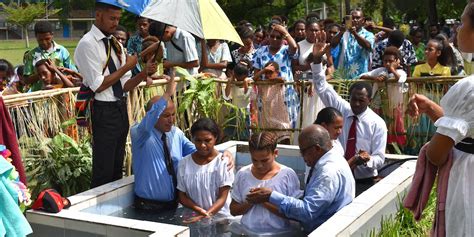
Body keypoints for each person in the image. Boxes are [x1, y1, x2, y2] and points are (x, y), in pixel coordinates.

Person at [406, 1, 474, 235]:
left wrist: (429, 149)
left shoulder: (468, 89)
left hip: (467, 185)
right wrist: (434, 110)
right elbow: (468, 129)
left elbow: (437, 153)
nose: (457, 29)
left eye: (463, 22)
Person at [74, 2, 153, 188]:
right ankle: (98, 210)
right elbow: (98, 85)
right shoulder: (87, 43)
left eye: (118, 19)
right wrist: (127, 66)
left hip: (119, 106)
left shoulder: (115, 43)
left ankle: (114, 209)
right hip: (102, 109)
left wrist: (142, 73)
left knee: (117, 165)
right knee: (103, 167)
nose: (115, 23)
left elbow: (124, 85)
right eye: (112, 18)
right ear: (98, 15)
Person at [131, 73, 234, 211]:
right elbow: (149, 119)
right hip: (147, 206)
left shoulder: (176, 133)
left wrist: (224, 153)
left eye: (173, 115)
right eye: (166, 115)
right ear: (153, 115)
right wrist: (167, 94)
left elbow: (200, 150)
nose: (171, 119)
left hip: (173, 205)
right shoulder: (140, 133)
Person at [311, 30, 387, 194]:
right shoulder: (343, 109)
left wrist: (367, 160)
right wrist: (317, 60)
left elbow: (380, 158)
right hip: (339, 178)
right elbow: (321, 86)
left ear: (370, 101)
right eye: (354, 99)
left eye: (361, 100)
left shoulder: (378, 123)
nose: (356, 104)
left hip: (364, 181)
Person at [245, 125, 355, 233]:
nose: (302, 156)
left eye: (303, 151)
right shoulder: (333, 160)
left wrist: (271, 196)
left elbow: (307, 212)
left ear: (317, 149)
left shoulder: (327, 173)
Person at [230, 132, 302, 235]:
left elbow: (295, 214)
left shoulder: (287, 175)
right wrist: (250, 202)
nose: (259, 165)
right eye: (255, 160)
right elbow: (233, 210)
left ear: (275, 153)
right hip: (248, 233)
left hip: (280, 233)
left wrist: (265, 200)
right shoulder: (243, 174)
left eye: (265, 160)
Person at [177, 118, 234, 223]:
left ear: (215, 138)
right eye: (198, 140)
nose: (202, 145)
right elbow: (182, 195)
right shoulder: (184, 164)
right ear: (193, 139)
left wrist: (206, 214)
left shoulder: (223, 163)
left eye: (207, 140)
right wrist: (199, 211)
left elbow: (223, 197)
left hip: (221, 219)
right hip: (195, 217)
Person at [252, 22, 300, 129]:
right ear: (268, 36)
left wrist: (285, 32)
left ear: (283, 39)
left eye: (278, 37)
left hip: (286, 95)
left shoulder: (286, 50)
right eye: (272, 36)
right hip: (266, 96)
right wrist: (271, 81)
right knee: (267, 129)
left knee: (287, 129)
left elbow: (295, 47)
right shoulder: (260, 51)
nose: (274, 39)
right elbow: (256, 77)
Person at [360, 46, 408, 147]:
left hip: (393, 107)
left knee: (395, 129)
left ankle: (396, 148)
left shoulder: (401, 72)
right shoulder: (380, 70)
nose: (387, 63)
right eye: (385, 61)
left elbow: (400, 79)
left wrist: (392, 69)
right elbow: (362, 76)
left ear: (397, 61)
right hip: (378, 106)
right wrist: (375, 78)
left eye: (390, 61)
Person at [22, 21, 78, 92]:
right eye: (40, 40)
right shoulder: (31, 55)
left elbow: (73, 73)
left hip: (60, 94)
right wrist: (43, 73)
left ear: (52, 35)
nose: (44, 42)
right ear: (36, 37)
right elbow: (26, 80)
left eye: (47, 39)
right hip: (39, 97)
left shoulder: (62, 51)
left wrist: (56, 70)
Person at [253, 61, 291, 143]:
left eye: (270, 72)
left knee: (284, 143)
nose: (267, 75)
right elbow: (254, 79)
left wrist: (271, 79)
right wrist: (263, 70)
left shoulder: (279, 83)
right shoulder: (262, 84)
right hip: (267, 121)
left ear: (277, 72)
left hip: (280, 121)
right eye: (266, 73)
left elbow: (282, 79)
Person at [331, 8, 375, 78]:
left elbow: (368, 46)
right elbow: (332, 44)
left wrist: (355, 34)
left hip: (361, 76)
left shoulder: (368, 34)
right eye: (353, 18)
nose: (354, 20)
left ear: (363, 20)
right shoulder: (343, 33)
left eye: (357, 18)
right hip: (342, 77)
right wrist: (341, 33)